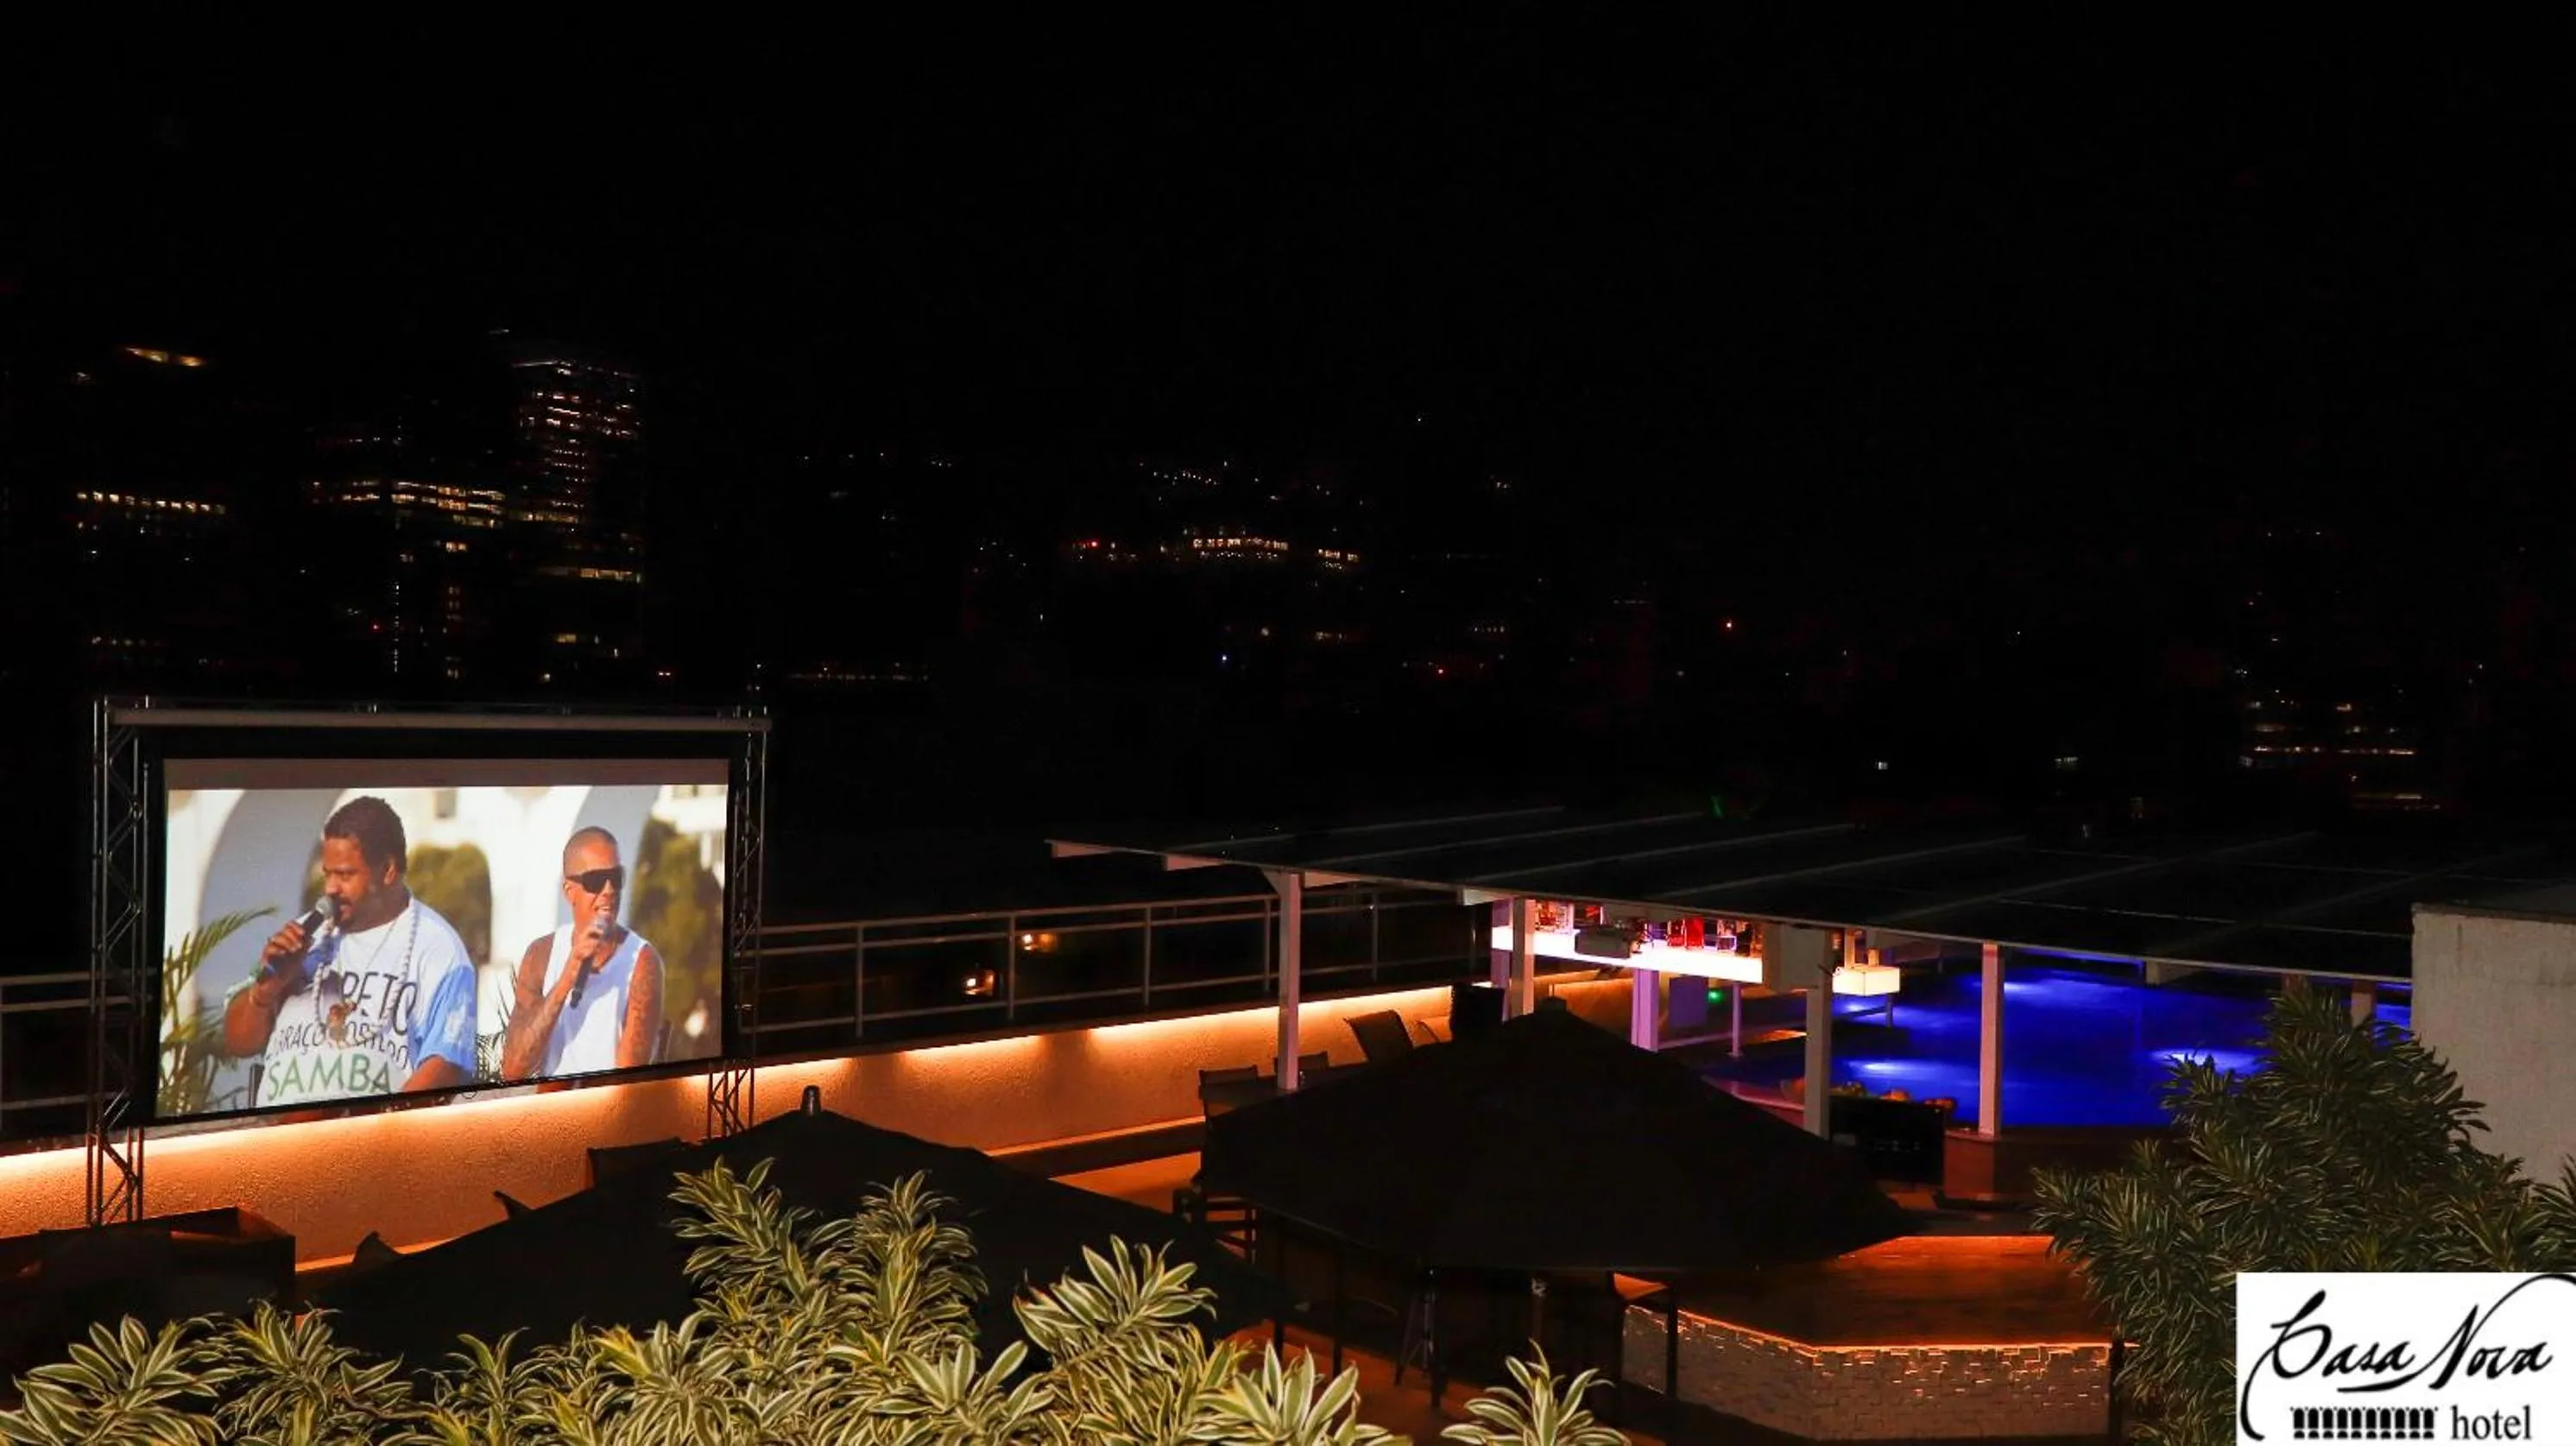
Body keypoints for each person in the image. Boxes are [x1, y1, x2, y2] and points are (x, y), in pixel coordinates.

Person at [222, 796, 477, 1107]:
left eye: (344, 875)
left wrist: (381, 1131)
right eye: (327, 873)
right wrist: (264, 993)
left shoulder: (438, 948)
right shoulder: (304, 937)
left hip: (369, 1140)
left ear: (387, 870)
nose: (330, 888)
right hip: (279, 1141)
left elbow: (446, 1065)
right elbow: (238, 1042)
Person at [501, 826, 665, 1081]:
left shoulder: (642, 961)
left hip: (606, 1112)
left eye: (616, 877)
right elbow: (513, 1069)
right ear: (570, 892)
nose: (609, 890)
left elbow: (627, 1082)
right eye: (596, 881)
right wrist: (567, 978)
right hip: (550, 1107)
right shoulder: (541, 955)